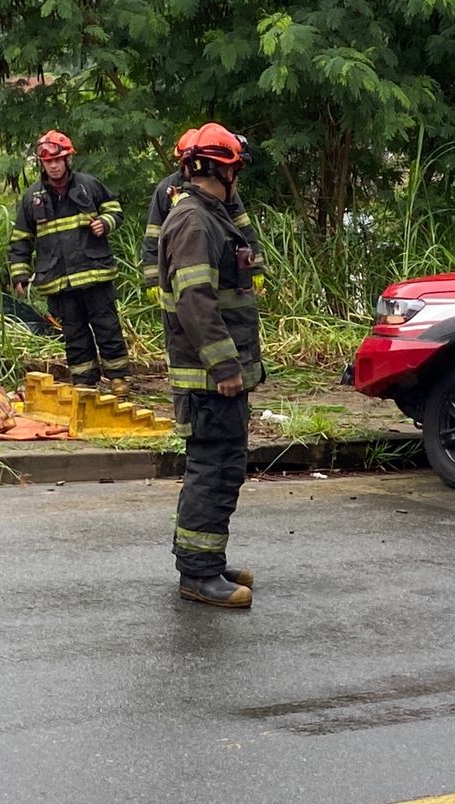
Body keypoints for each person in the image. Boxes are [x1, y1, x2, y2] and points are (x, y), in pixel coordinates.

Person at [157, 123, 264, 608]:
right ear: (225, 171)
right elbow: (195, 301)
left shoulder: (209, 216)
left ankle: (207, 558)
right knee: (213, 469)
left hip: (217, 375)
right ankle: (197, 575)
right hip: (209, 378)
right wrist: (224, 367)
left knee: (223, 467)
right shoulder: (195, 222)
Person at [7, 130, 133, 396]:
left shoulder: (88, 185)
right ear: (41, 163)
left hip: (94, 274)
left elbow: (115, 209)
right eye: (48, 161)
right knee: (74, 334)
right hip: (59, 280)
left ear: (67, 160)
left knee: (107, 327)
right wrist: (19, 274)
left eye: (58, 160)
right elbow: (20, 239)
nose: (53, 165)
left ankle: (118, 378)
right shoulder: (33, 198)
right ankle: (84, 382)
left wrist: (106, 223)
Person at [141, 130, 263, 303]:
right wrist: (153, 278)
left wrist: (255, 266)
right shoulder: (167, 190)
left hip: (224, 269)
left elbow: (243, 227)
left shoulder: (223, 188)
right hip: (181, 271)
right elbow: (153, 235)